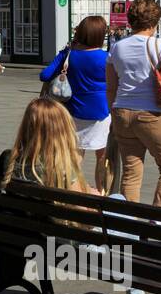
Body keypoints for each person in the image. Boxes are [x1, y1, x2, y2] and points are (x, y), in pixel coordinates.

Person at [0, 97, 161, 294]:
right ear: (62, 129)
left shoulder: (11, 160)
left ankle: (138, 289)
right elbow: (86, 220)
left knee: (118, 202)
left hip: (32, 237)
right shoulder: (60, 167)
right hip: (68, 246)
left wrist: (89, 195)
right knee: (123, 218)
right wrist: (95, 201)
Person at [106, 0, 161, 213]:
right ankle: (157, 219)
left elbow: (111, 87)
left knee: (131, 172)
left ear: (131, 21)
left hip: (122, 111)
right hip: (152, 113)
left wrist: (113, 114)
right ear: (155, 22)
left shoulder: (117, 47)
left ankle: (128, 220)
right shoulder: (159, 44)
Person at [40, 15, 110, 192]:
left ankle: (71, 192)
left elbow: (45, 75)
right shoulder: (106, 57)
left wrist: (64, 54)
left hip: (73, 111)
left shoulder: (69, 54)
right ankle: (103, 195)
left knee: (75, 157)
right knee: (103, 158)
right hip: (100, 112)